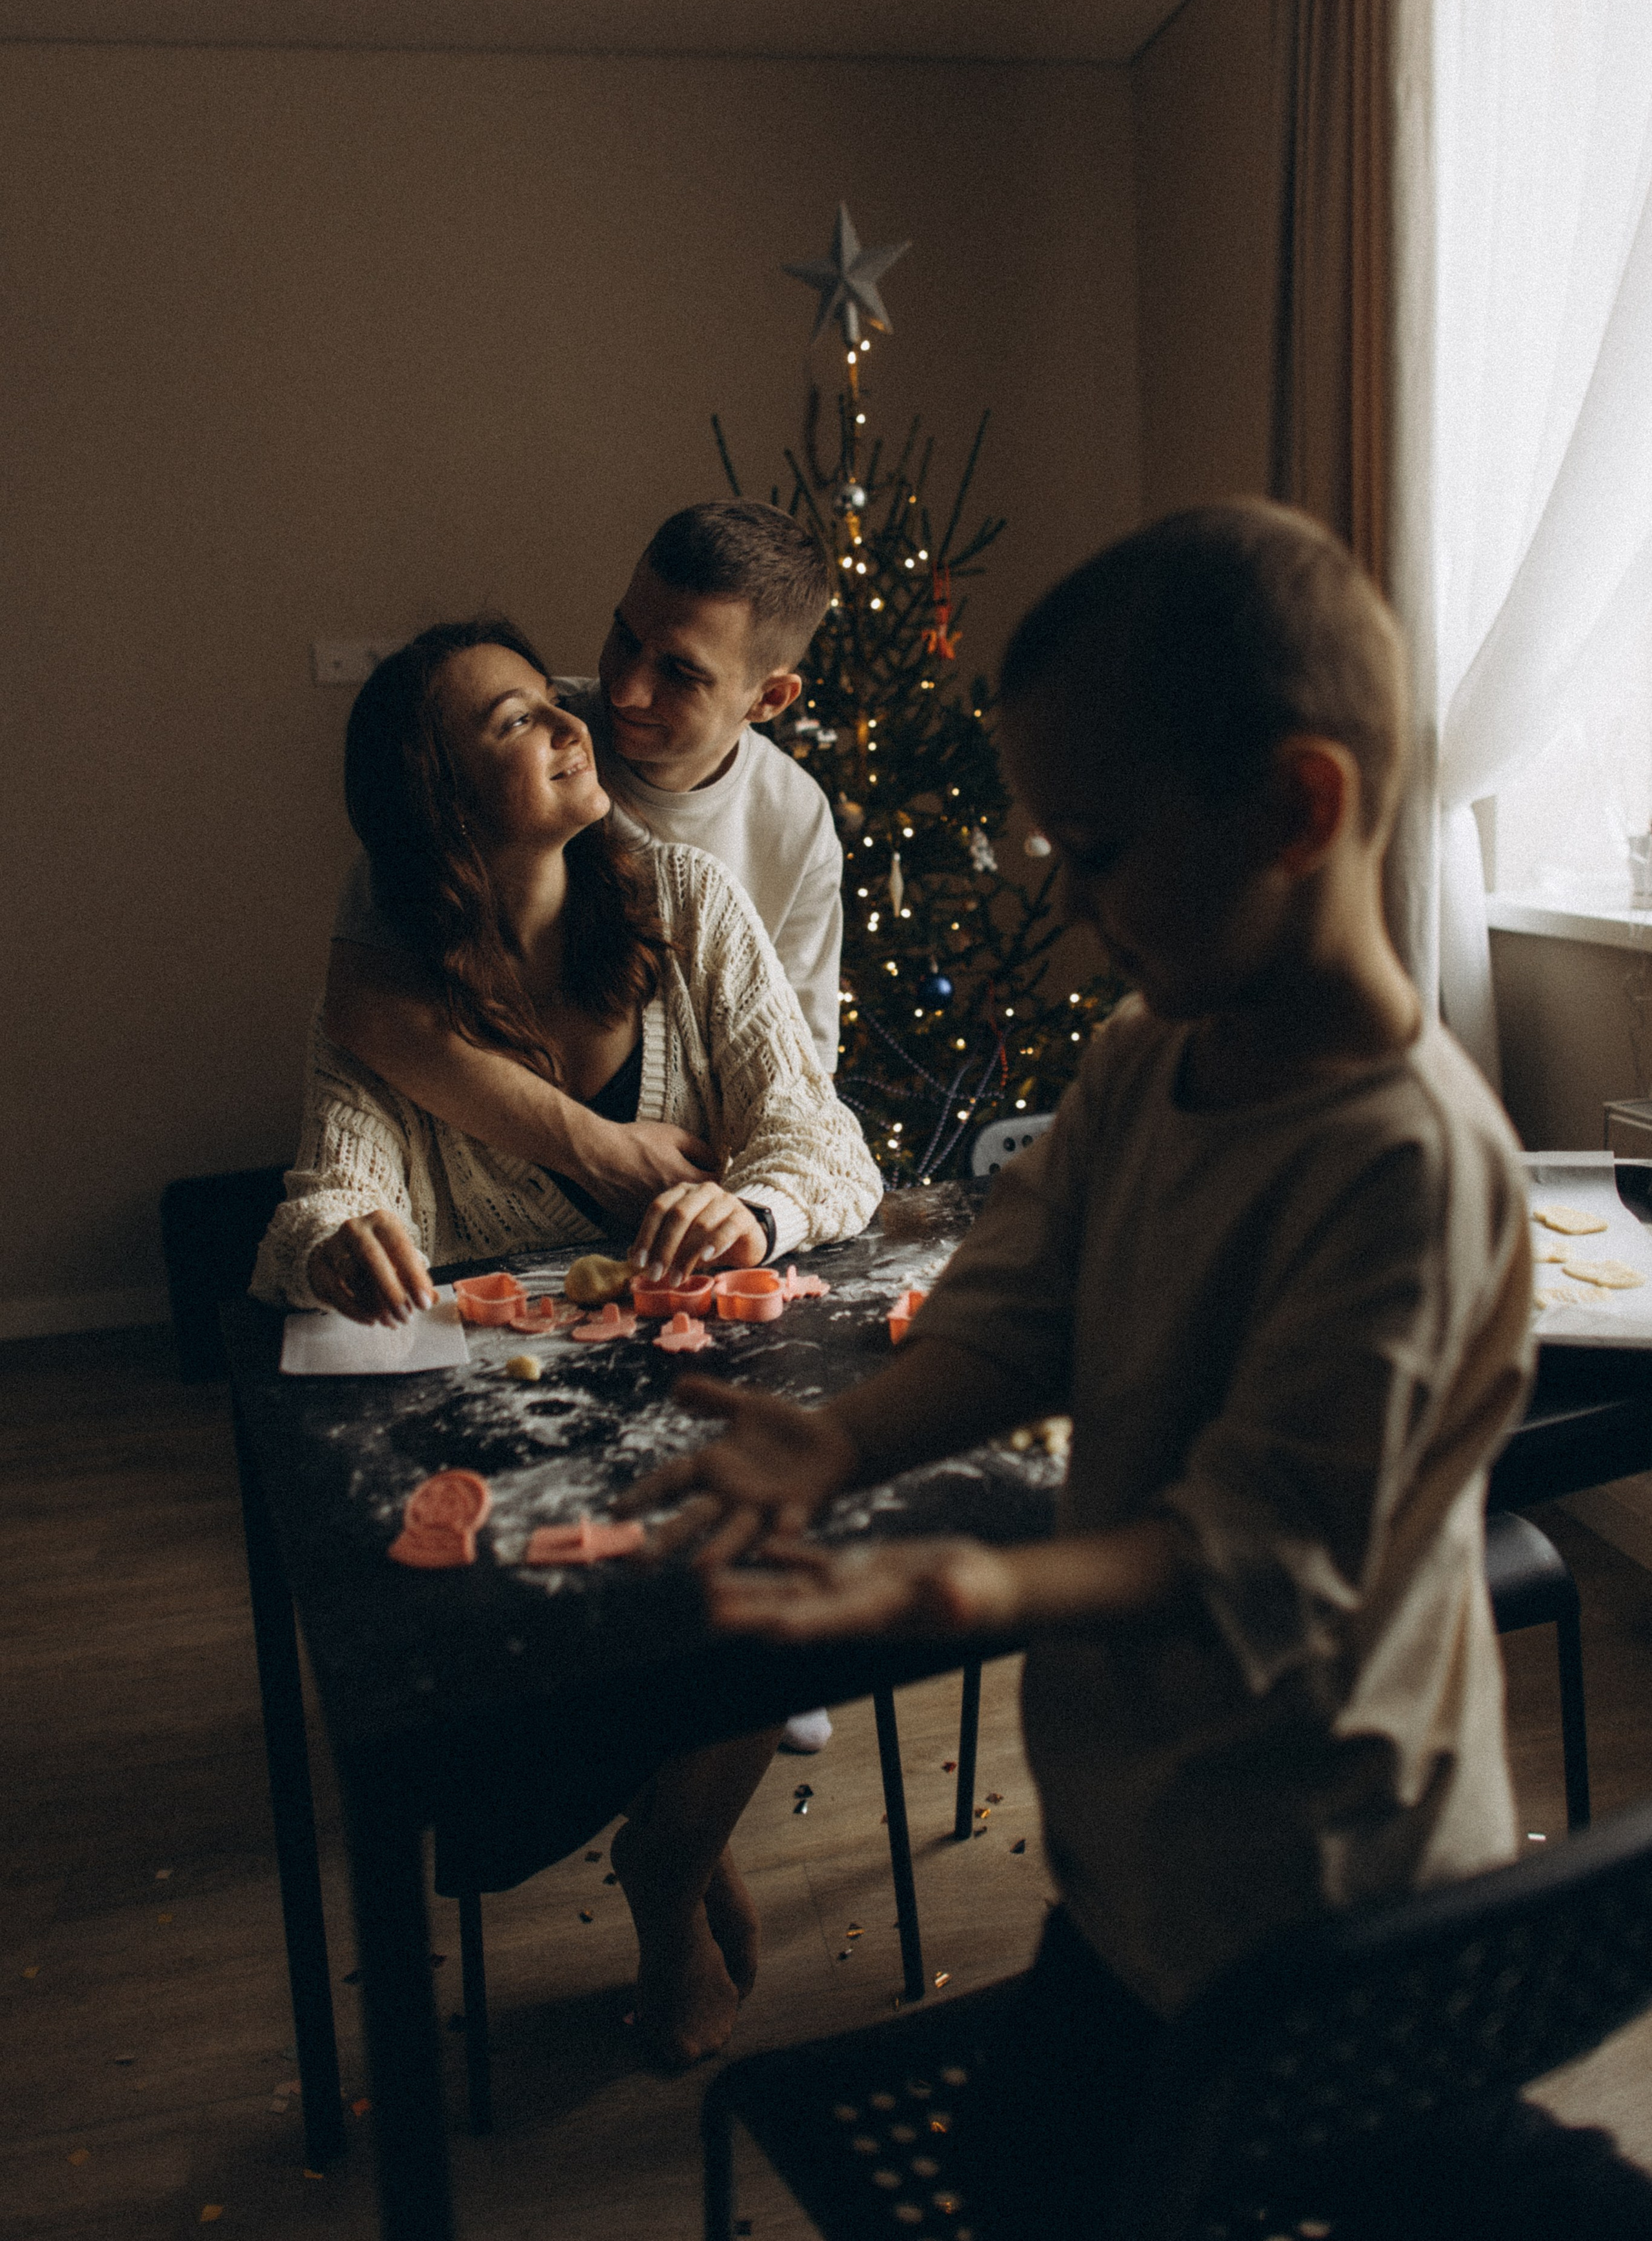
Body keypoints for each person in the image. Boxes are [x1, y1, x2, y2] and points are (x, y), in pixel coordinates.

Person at [620, 503, 1652, 2222]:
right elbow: (1020, 1301)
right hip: (1140, 1861)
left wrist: (969, 1596)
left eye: (1096, 851)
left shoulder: (1406, 1164)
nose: (1079, 907)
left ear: (1296, 809)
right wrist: (840, 1445)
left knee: (1438, 2180)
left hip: (1334, 1889)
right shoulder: (1147, 1056)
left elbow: (1262, 1548)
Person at [253, 615, 881, 2064]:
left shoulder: (691, 904)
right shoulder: (389, 981)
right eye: (515, 726)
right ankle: (674, 1799)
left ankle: (667, 1862)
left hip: (704, 1372)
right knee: (507, 1662)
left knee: (787, 1529)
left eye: (554, 705)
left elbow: (824, 1147)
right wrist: (337, 1242)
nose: (570, 729)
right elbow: (319, 1194)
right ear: (440, 807)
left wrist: (756, 1209)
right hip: (511, 1422)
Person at [322, 501, 845, 1234]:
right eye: (623, 637)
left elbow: (801, 1086)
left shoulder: (794, 825)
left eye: (680, 672)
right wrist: (598, 1152)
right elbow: (365, 1010)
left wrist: (740, 1211)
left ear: (770, 697)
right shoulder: (512, 753)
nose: (624, 690)